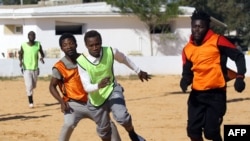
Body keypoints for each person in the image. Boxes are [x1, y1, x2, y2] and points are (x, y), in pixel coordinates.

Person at [180, 9, 246, 141]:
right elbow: (187, 70)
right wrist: (185, 80)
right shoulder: (187, 49)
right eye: (194, 26)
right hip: (197, 95)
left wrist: (240, 77)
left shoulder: (218, 40)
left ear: (207, 27)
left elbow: (239, 56)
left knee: (211, 132)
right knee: (193, 132)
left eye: (201, 27)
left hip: (216, 94)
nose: (197, 30)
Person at [77, 30, 151, 141]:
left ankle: (132, 133)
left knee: (123, 118)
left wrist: (138, 71)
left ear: (101, 42)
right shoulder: (82, 61)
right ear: (86, 46)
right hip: (96, 98)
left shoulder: (111, 51)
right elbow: (86, 87)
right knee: (104, 132)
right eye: (91, 45)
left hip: (112, 89)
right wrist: (98, 85)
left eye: (97, 44)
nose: (95, 47)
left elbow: (124, 59)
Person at [49, 33, 121, 141]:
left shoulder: (87, 59)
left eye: (71, 43)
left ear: (76, 44)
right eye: (65, 45)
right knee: (68, 124)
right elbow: (52, 87)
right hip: (74, 104)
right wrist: (61, 102)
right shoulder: (59, 66)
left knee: (108, 124)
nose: (69, 46)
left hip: (93, 100)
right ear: (62, 48)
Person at [19, 31, 45, 108]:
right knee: (29, 86)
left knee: (33, 86)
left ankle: (30, 91)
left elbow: (42, 53)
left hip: (35, 68)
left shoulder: (38, 44)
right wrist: (20, 61)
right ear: (28, 36)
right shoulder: (23, 45)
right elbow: (20, 54)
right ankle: (31, 102)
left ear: (35, 37)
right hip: (26, 68)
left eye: (33, 35)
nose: (32, 37)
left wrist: (41, 58)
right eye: (30, 35)